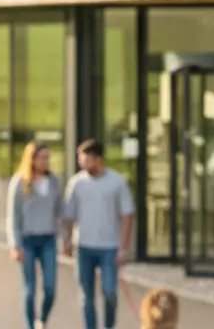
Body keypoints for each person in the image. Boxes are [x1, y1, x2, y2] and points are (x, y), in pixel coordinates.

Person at [61, 139, 135, 329]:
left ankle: (109, 326)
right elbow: (68, 215)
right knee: (86, 296)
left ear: (98, 159)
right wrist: (66, 240)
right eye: (80, 160)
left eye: (85, 159)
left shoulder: (116, 182)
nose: (81, 163)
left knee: (110, 292)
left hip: (109, 248)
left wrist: (124, 248)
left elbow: (128, 215)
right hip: (83, 247)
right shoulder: (76, 183)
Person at [6, 142, 63, 329]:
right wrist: (15, 245)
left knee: (50, 288)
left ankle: (43, 320)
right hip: (27, 241)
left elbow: (59, 212)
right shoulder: (20, 182)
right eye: (41, 157)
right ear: (31, 159)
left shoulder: (53, 182)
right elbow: (13, 216)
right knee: (29, 290)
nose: (44, 161)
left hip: (48, 240)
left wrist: (65, 238)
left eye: (47, 157)